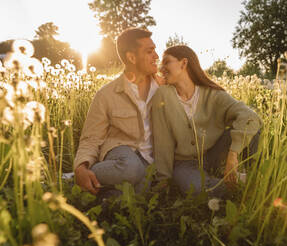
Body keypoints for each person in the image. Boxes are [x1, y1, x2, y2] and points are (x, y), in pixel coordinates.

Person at [152, 45, 262, 198]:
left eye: (166, 62)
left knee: (252, 128)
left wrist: (233, 154)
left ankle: (252, 177)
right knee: (197, 189)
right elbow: (162, 140)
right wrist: (163, 180)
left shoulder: (212, 94)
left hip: (215, 154)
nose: (161, 68)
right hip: (185, 164)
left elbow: (250, 117)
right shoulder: (163, 94)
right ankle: (244, 185)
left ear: (183, 63)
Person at [74, 28, 161, 196]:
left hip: (149, 160)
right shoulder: (106, 94)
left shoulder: (164, 89)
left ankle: (104, 193)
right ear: (131, 57)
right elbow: (91, 138)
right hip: (121, 154)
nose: (156, 56)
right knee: (131, 169)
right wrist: (81, 167)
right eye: (150, 51)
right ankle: (78, 178)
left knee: (137, 193)